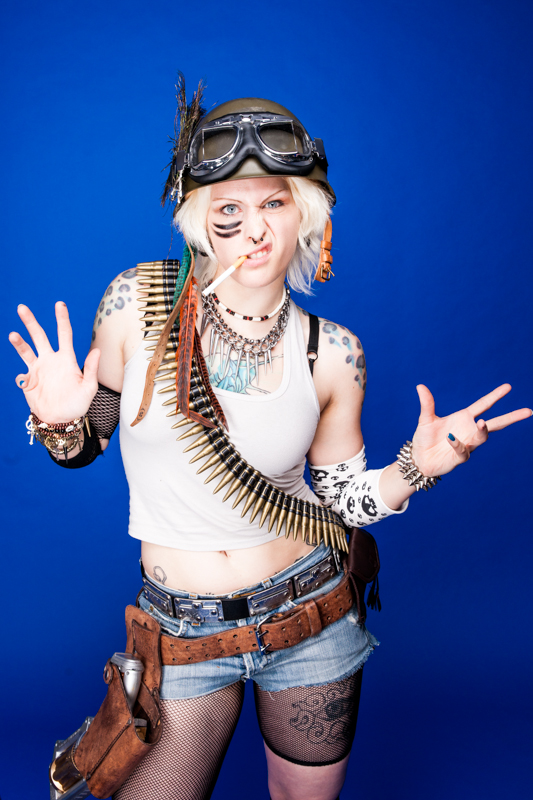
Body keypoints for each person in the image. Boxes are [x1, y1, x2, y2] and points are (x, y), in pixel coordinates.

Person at [9, 85, 531, 800]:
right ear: (199, 219)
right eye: (229, 208)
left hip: (310, 618)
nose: (253, 230)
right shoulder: (137, 304)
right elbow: (84, 444)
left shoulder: (334, 353)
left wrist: (419, 467)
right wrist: (63, 420)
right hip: (182, 633)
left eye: (274, 204)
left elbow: (342, 498)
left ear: (306, 215)